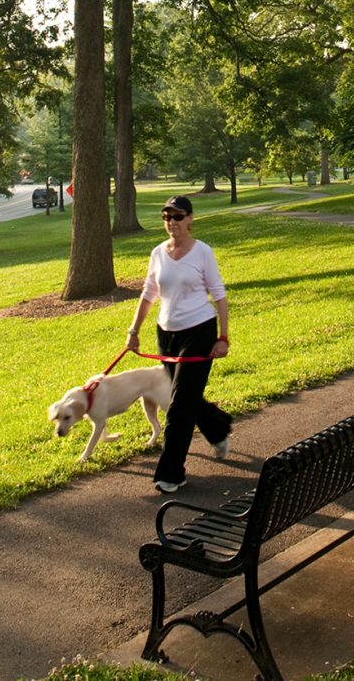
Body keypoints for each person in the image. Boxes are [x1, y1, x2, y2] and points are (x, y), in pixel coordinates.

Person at [126, 195, 232, 493]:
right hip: (167, 335)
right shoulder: (158, 252)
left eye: (177, 216)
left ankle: (170, 473)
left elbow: (219, 296)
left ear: (190, 219)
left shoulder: (202, 253)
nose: (171, 222)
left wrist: (222, 337)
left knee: (179, 405)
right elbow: (149, 293)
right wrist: (134, 331)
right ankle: (217, 426)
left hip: (199, 331)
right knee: (185, 396)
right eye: (166, 217)